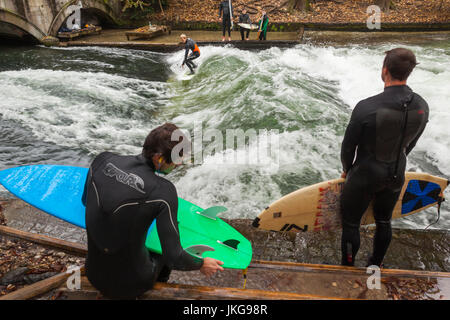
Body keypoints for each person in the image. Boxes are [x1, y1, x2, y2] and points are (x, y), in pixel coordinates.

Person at [82, 123, 224, 299]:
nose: (179, 165)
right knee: (161, 248)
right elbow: (174, 257)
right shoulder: (163, 191)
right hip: (131, 285)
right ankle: (156, 289)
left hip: (93, 273)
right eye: (176, 160)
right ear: (159, 159)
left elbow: (85, 201)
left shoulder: (102, 160)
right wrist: (201, 263)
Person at [340, 48, 429, 267]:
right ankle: (375, 265)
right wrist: (399, 159)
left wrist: (346, 169)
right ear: (409, 73)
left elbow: (348, 146)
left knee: (351, 224)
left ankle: (348, 267)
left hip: (365, 175)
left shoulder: (366, 107)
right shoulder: (422, 106)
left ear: (384, 70)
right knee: (384, 220)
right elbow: (412, 142)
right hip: (397, 173)